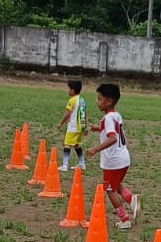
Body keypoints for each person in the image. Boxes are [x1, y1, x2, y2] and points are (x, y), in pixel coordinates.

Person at [85, 80, 139, 227]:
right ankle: (132, 200)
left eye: (99, 99)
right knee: (115, 184)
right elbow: (115, 131)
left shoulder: (108, 118)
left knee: (110, 189)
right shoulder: (115, 115)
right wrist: (98, 128)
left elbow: (113, 138)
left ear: (109, 101)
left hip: (113, 161)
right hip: (123, 159)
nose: (97, 102)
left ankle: (125, 220)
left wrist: (95, 149)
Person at [58, 79, 88, 173]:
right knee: (76, 145)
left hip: (73, 127)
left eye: (69, 89)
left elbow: (67, 114)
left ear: (73, 90)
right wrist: (85, 127)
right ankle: (82, 163)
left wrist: (60, 123)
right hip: (80, 127)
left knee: (67, 144)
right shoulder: (82, 100)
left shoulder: (71, 101)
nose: (68, 91)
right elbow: (85, 114)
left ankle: (65, 165)